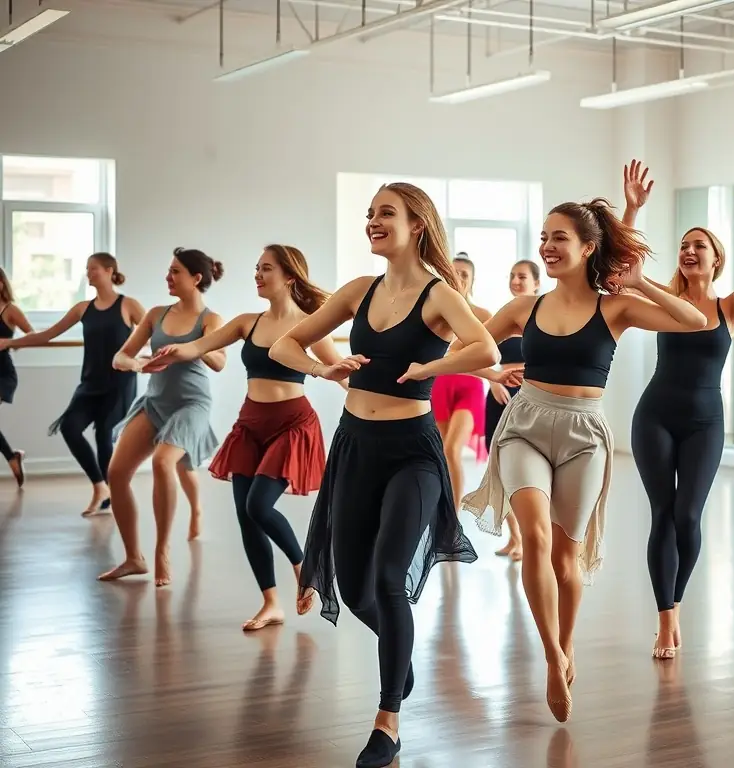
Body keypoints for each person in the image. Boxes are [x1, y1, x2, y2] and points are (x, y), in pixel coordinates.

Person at [461, 160, 709, 724]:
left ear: (587, 246)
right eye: (543, 237)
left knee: (566, 558)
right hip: (525, 423)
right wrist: (486, 374)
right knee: (534, 537)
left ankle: (565, 643)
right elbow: (470, 343)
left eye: (559, 238)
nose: (547, 246)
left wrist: (642, 279)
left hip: (584, 433)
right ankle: (552, 656)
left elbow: (696, 321)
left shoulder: (615, 306)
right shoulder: (525, 307)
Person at [268, 182, 495, 768]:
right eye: (369, 214)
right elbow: (287, 345)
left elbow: (485, 350)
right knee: (353, 584)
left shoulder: (439, 294)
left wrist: (434, 365)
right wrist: (327, 369)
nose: (373, 221)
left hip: (413, 452)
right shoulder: (357, 291)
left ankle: (387, 721)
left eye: (385, 213)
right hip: (355, 446)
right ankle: (403, 654)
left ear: (417, 224)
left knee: (390, 577)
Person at [148, 244, 343, 631]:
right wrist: (173, 350)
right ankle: (271, 603)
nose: (257, 274)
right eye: (256, 267)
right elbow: (200, 346)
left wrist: (371, 399)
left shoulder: (309, 323)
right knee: (246, 517)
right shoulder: (245, 322)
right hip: (250, 424)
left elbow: (339, 371)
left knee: (258, 506)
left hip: (291, 424)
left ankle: (305, 565)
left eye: (266, 268)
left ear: (289, 276)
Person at [630, 165, 734, 661]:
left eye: (699, 246)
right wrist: (633, 210)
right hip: (655, 417)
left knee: (689, 516)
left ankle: (677, 602)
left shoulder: (729, 308)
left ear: (715, 259)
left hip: (706, 422)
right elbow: (625, 277)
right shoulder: (665, 302)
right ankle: (665, 618)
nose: (689, 251)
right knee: (663, 513)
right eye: (684, 245)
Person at [98, 248, 226, 588]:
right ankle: (133, 557)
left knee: (163, 462)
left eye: (175, 272)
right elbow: (120, 357)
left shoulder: (210, 320)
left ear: (196, 278)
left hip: (191, 404)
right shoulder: (156, 314)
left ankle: (161, 551)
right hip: (154, 401)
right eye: (168, 271)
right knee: (116, 472)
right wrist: (139, 364)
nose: (168, 277)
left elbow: (220, 362)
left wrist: (198, 345)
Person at [0, 253, 144, 514]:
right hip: (90, 384)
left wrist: (151, 359)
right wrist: (10, 342)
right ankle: (101, 487)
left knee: (104, 437)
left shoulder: (128, 305)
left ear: (110, 271)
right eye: (87, 269)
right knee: (70, 427)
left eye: (93, 269)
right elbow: (46, 335)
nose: (88, 273)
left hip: (119, 384)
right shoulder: (82, 308)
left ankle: (114, 495)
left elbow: (151, 333)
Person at [483, 259, 541, 561]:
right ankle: (514, 537)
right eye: (512, 275)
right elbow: (476, 349)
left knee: (523, 470)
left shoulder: (540, 320)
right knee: (499, 467)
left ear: (536, 284)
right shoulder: (503, 317)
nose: (516, 281)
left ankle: (529, 538)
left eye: (522, 277)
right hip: (499, 393)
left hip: (528, 397)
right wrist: (493, 379)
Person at [430, 253, 491, 511]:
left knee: (451, 449)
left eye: (464, 274)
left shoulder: (483, 315)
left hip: (470, 386)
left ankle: (452, 519)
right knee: (442, 454)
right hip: (439, 386)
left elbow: (491, 355)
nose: (458, 278)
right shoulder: (435, 314)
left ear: (472, 280)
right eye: (453, 272)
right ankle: (443, 510)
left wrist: (497, 381)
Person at [0, 267, 32, 487]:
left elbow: (33, 335)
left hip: (3, 373)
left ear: (2, 283)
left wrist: (11, 343)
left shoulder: (10, 310)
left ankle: (12, 457)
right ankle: (12, 457)